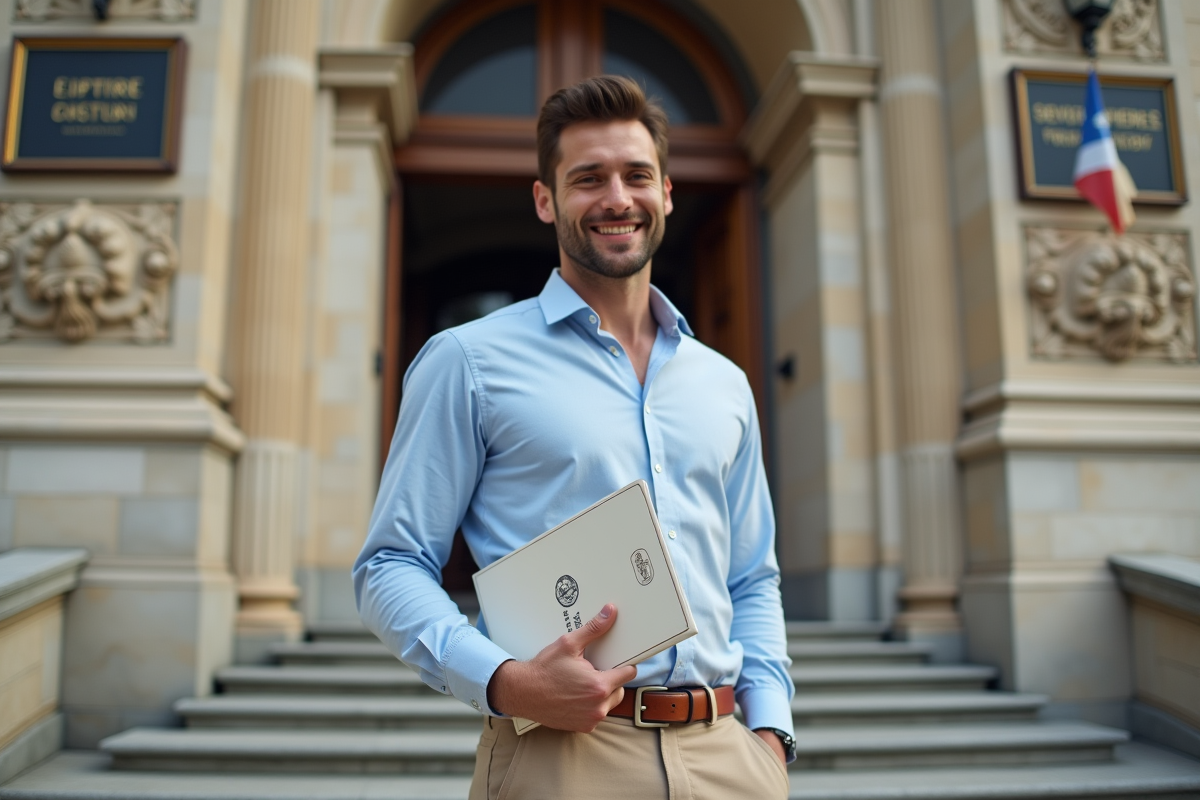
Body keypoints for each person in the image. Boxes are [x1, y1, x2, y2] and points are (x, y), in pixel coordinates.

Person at [353, 75, 794, 799]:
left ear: (667, 193)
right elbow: (390, 565)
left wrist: (770, 735)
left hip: (729, 757)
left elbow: (752, 575)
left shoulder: (725, 382)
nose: (617, 198)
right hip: (567, 759)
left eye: (636, 176)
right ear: (545, 199)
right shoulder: (467, 361)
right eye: (588, 178)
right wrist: (506, 682)